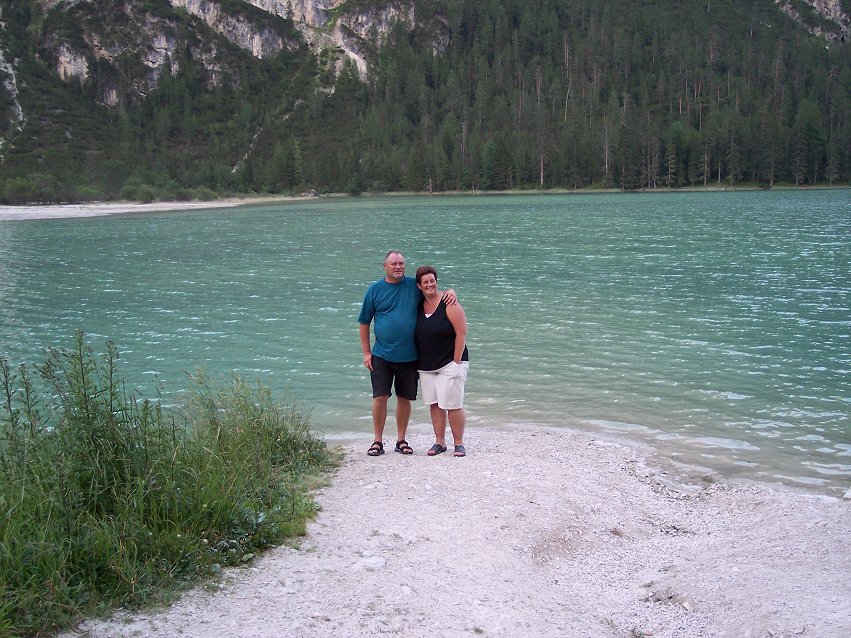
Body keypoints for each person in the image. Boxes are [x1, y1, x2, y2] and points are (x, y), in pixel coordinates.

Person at [358, 250, 455, 457]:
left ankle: (401, 440)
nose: (398, 267)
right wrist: (366, 353)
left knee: (404, 398)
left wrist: (451, 291)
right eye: (394, 263)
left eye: (401, 263)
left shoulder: (413, 286)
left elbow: (433, 291)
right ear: (385, 266)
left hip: (410, 356)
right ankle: (377, 441)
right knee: (380, 397)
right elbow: (364, 322)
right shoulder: (375, 290)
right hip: (381, 355)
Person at [413, 265, 469, 457]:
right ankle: (439, 442)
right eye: (425, 282)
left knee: (453, 404)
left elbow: (461, 334)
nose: (430, 284)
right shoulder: (417, 304)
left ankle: (459, 443)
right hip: (426, 365)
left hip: (450, 362)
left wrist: (456, 363)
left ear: (437, 282)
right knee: (434, 404)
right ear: (419, 286)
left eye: (432, 280)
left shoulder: (449, 302)